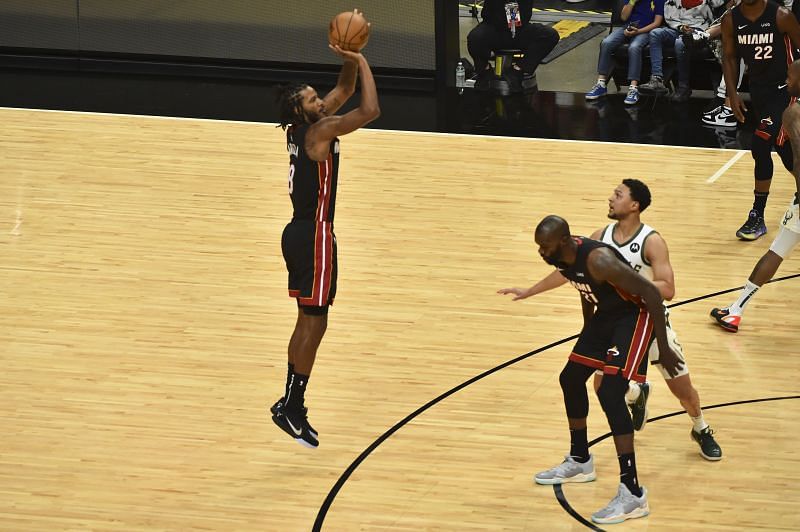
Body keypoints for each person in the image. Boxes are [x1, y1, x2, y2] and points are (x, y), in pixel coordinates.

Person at [499, 180, 723, 461]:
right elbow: (573, 275)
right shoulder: (599, 237)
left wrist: (626, 280)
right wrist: (533, 291)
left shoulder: (651, 240)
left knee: (682, 389)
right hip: (616, 325)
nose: (610, 198)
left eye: (618, 195)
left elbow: (667, 289)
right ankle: (634, 394)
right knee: (600, 384)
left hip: (649, 321)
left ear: (634, 205)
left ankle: (700, 428)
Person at [501, 215, 683, 525]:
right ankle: (580, 460)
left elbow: (653, 295)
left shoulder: (599, 259)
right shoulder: (563, 258)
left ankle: (632, 493)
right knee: (570, 378)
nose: (540, 253)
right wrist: (589, 329)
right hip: (606, 318)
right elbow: (583, 288)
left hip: (634, 317)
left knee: (610, 392)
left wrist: (664, 349)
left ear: (562, 241)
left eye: (544, 247)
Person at [270, 28, 380, 449]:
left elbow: (345, 87)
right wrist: (366, 60)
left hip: (297, 233)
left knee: (308, 319)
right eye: (314, 100)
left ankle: (290, 404)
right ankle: (293, 405)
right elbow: (368, 108)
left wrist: (350, 56)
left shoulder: (302, 126)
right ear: (303, 112)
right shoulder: (319, 132)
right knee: (316, 322)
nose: (323, 101)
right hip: (314, 235)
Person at [711, 59, 800, 332]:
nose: (787, 78)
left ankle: (736, 310)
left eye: (790, 74)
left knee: (777, 252)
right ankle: (735, 309)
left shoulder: (793, 112)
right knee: (776, 251)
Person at [721, 0, 800, 240]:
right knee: (785, 149)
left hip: (784, 92)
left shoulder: (781, 16)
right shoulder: (730, 19)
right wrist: (732, 93)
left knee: (760, 144)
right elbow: (730, 57)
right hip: (759, 93)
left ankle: (757, 215)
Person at [639, 0, 725, 102]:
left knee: (680, 43)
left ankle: (683, 88)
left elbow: (718, 3)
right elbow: (669, 17)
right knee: (655, 33)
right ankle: (657, 79)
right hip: (678, 28)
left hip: (700, 29)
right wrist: (680, 27)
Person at [585, 0, 665, 105]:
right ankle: (601, 84)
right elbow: (623, 17)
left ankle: (633, 88)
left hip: (645, 31)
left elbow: (657, 23)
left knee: (634, 47)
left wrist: (638, 31)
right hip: (627, 28)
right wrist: (632, 2)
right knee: (606, 43)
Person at [467, 0, 560, 91]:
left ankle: (518, 70)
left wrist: (511, 7)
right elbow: (489, 16)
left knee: (550, 35)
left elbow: (521, 19)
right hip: (493, 28)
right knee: (475, 38)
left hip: (518, 29)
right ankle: (484, 71)